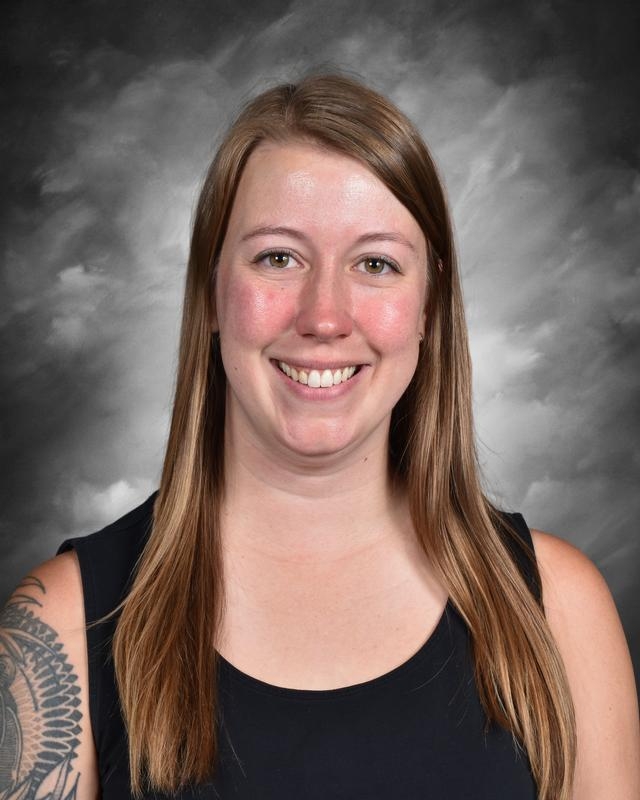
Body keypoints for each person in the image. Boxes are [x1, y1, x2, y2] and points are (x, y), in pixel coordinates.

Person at [1, 74, 638, 800]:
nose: (325, 315)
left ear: (430, 305)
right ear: (211, 292)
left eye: (375, 264)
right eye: (279, 257)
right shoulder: (61, 632)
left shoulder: (557, 610)